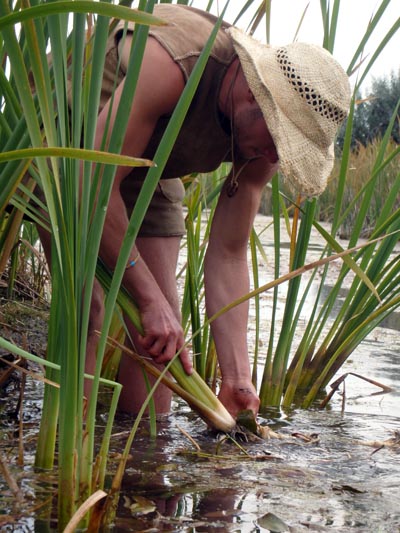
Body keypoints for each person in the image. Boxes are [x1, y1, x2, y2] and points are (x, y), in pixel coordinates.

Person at [48, 4, 351, 418]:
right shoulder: (172, 63)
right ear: (252, 95)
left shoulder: (264, 147)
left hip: (150, 161)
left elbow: (228, 252)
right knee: (89, 309)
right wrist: (148, 297)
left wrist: (238, 379)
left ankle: (144, 470)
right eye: (278, 141)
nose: (274, 157)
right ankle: (69, 458)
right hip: (67, 141)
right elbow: (91, 184)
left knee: (159, 336)